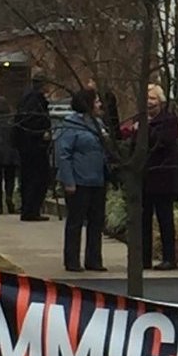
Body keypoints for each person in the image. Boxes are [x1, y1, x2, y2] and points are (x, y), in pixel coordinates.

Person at [123, 83, 178, 270]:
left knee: (165, 219)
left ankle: (169, 258)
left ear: (161, 102)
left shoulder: (169, 121)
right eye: (146, 99)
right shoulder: (140, 120)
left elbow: (162, 142)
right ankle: (144, 259)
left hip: (162, 177)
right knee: (143, 220)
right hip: (144, 178)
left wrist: (143, 129)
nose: (149, 103)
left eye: (153, 99)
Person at [55, 86, 109, 273]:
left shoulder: (99, 124)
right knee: (76, 221)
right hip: (79, 181)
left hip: (98, 179)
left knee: (96, 221)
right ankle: (72, 260)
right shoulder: (71, 125)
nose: (100, 104)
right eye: (96, 101)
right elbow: (63, 154)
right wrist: (68, 181)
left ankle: (94, 259)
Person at [15, 74, 53, 221]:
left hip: (26, 146)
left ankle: (28, 208)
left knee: (28, 177)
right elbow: (33, 122)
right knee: (38, 177)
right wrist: (43, 133)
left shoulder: (27, 98)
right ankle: (31, 210)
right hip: (34, 146)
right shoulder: (35, 100)